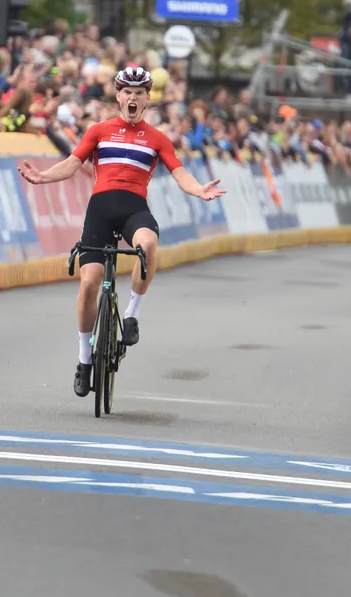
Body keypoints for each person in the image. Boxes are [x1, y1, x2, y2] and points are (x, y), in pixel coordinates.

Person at [16, 66, 226, 398]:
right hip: (100, 210)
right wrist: (43, 177)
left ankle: (131, 316)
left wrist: (198, 189)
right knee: (88, 283)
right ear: (117, 96)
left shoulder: (157, 138)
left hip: (134, 210)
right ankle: (85, 360)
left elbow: (180, 172)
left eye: (139, 93)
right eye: (126, 92)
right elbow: (72, 164)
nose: (132, 98)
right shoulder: (98, 130)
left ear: (147, 100)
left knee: (148, 244)